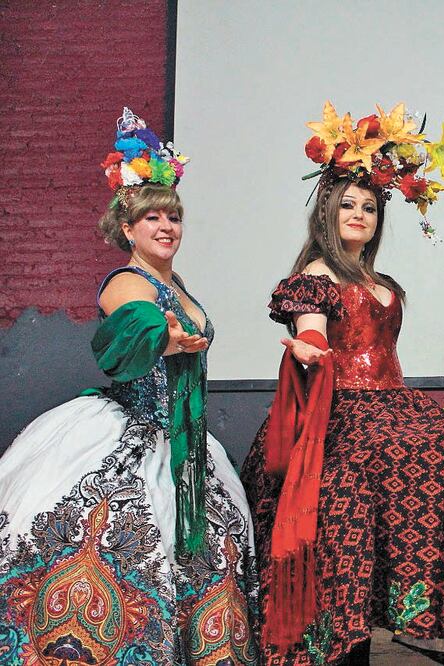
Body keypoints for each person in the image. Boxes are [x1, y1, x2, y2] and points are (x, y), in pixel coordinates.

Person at [0, 107, 257, 664]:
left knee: (210, 550)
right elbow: (132, 326)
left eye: (174, 217)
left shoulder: (178, 283)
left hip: (186, 438)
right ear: (128, 229)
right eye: (153, 218)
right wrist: (165, 337)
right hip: (131, 434)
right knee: (123, 540)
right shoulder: (125, 281)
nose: (167, 227)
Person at [239, 101, 444, 665]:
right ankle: (342, 639)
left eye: (369, 207)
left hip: (392, 405)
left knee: (439, 447)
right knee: (347, 512)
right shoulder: (316, 275)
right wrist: (309, 348)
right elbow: (313, 330)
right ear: (327, 211)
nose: (359, 214)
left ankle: (411, 615)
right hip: (340, 413)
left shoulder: (381, 279)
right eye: (347, 204)